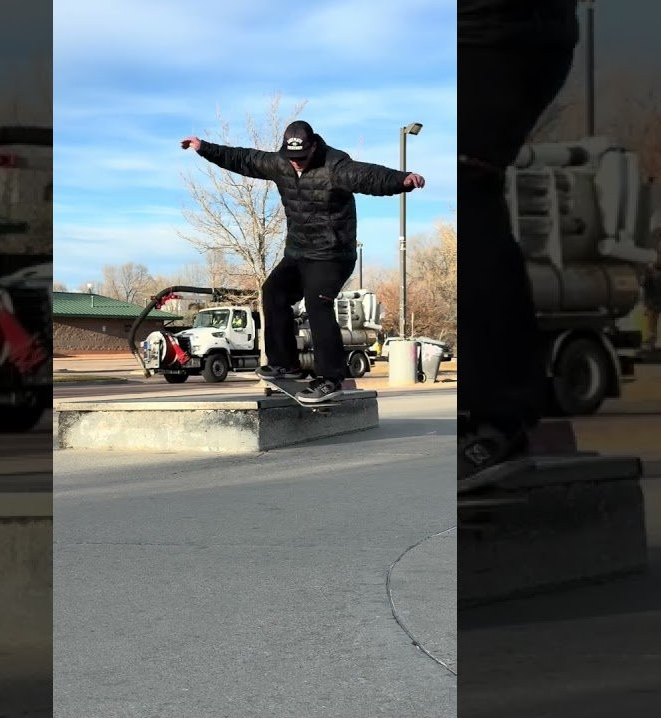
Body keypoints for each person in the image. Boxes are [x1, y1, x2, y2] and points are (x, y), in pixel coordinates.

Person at [181, 120, 425, 403]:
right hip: (298, 253)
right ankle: (285, 364)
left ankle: (331, 377)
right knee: (273, 292)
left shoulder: (335, 165)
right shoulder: (280, 163)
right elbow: (243, 158)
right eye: (291, 159)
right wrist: (203, 148)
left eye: (301, 159)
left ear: (313, 147)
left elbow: (368, 176)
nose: (296, 165)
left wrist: (402, 179)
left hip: (333, 255)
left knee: (317, 302)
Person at [458, 0, 580, 477]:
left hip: (493, 31)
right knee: (468, 185)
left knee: (465, 184)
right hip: (509, 30)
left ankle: (495, 421)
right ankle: (499, 411)